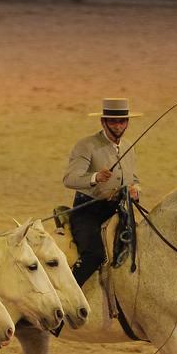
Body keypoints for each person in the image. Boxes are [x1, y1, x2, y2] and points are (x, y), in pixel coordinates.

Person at [62, 97, 142, 287]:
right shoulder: (86, 145)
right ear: (103, 122)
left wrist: (135, 190)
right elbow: (69, 179)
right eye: (113, 121)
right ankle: (68, 293)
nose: (118, 126)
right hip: (89, 211)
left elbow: (134, 178)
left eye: (122, 121)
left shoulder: (129, 147)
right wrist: (95, 177)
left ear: (127, 122)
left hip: (119, 211)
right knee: (94, 254)